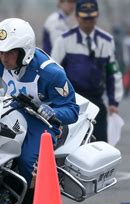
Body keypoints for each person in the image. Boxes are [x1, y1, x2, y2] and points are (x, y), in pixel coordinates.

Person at [0, 18, 79, 189]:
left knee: (26, 162)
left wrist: (53, 112)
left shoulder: (50, 73)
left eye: (9, 52)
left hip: (40, 121)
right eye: (0, 51)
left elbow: (72, 110)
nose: (3, 58)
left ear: (25, 52)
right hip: (5, 109)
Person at [51, 0, 124, 142]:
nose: (88, 21)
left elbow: (112, 73)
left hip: (96, 100)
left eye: (91, 17)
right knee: (73, 143)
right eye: (85, 18)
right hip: (73, 101)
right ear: (77, 17)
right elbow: (53, 72)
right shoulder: (64, 40)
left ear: (96, 17)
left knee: (101, 143)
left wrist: (113, 102)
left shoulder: (107, 41)